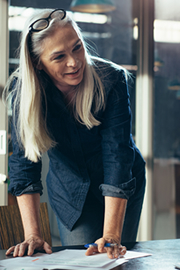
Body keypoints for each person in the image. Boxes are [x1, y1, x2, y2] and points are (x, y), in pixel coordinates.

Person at [3, 8, 146, 259]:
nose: (74, 62)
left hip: (122, 184)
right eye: (59, 57)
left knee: (113, 258)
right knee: (83, 261)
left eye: (77, 47)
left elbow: (117, 156)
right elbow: (24, 164)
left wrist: (112, 235)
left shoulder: (112, 80)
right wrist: (32, 235)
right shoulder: (22, 90)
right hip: (69, 189)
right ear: (38, 63)